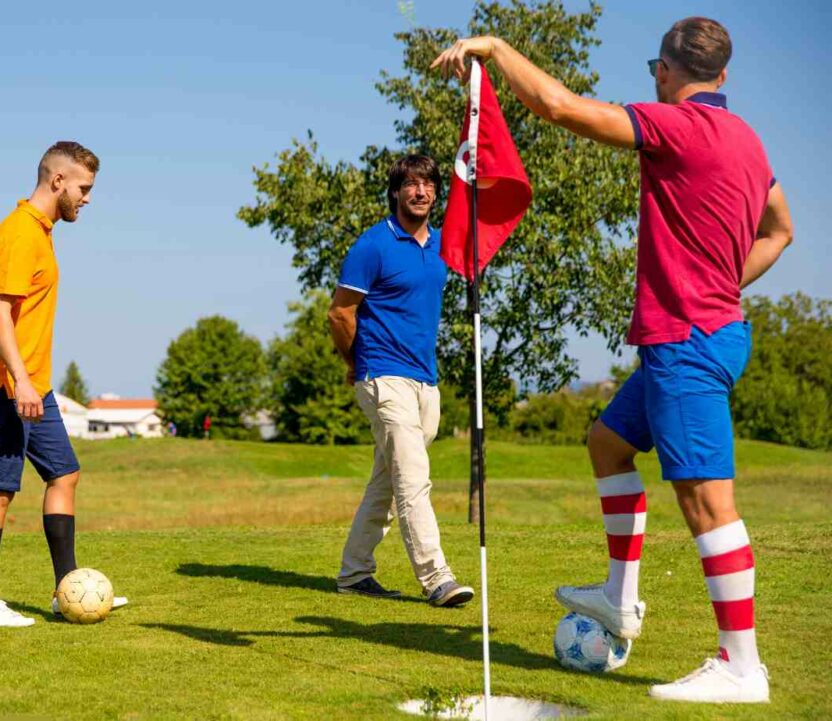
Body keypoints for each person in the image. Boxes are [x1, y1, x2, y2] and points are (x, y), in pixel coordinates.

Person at [432, 16, 794, 702]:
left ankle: (742, 666)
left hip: (687, 340)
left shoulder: (674, 125)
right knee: (607, 443)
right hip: (700, 333)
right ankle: (618, 598)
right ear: (725, 75)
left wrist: (496, 48)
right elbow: (782, 229)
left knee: (708, 502)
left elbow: (559, 106)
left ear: (665, 71)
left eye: (654, 71)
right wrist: (722, 281)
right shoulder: (749, 140)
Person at [0, 141, 128, 627]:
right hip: (4, 387)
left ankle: (68, 590)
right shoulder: (19, 234)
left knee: (65, 474)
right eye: (84, 188)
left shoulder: (41, 231)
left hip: (33, 385)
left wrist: (33, 383)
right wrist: (20, 381)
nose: (87, 199)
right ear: (58, 181)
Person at [328, 154, 475, 608]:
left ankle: (354, 573)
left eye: (428, 184)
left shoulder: (442, 246)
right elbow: (339, 313)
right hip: (382, 375)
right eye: (411, 184)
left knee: (388, 482)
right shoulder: (373, 245)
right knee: (413, 479)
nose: (421, 192)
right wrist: (356, 362)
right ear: (396, 191)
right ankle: (437, 578)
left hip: (425, 381)